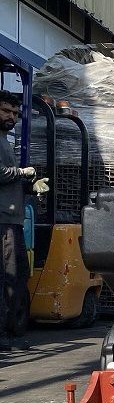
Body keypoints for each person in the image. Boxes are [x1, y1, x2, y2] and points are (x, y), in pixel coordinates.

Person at [0, 90, 36, 351]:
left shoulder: (5, 141)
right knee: (7, 278)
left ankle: (10, 332)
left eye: (15, 113)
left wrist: (29, 185)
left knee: (17, 276)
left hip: (12, 219)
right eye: (5, 111)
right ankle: (3, 335)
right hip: (3, 221)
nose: (11, 116)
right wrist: (21, 172)